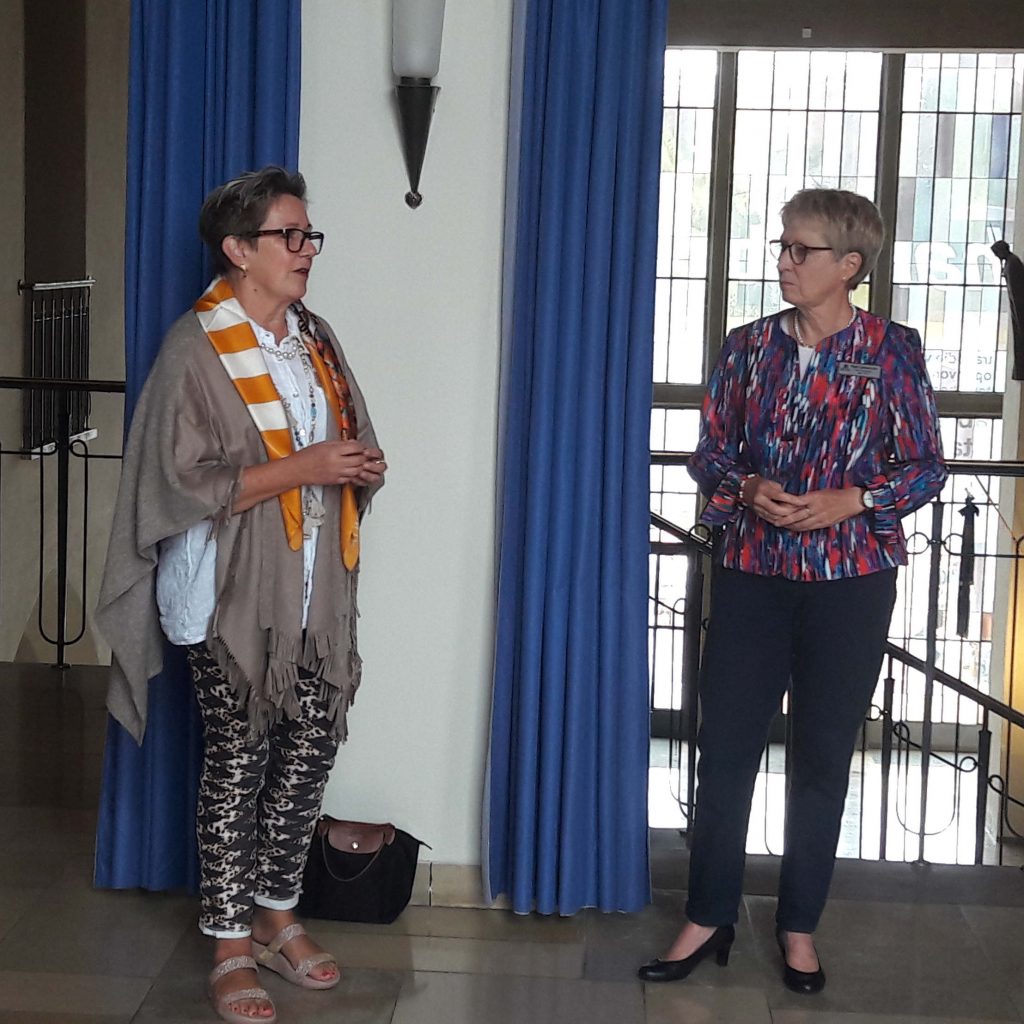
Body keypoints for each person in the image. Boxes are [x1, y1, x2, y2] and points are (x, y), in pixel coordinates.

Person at [638, 189, 946, 994]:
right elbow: (708, 453)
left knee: (822, 758)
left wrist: (857, 500)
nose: (783, 260)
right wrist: (745, 488)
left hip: (852, 583)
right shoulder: (746, 348)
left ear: (849, 265)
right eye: (782, 245)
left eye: (800, 249)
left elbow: (925, 467)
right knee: (726, 750)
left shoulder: (892, 350)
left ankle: (799, 925)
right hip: (752, 574)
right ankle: (708, 914)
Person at [97, 166, 385, 1024]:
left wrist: (358, 465)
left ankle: (276, 915)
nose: (305, 250)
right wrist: (304, 467)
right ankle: (229, 946)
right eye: (287, 236)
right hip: (223, 596)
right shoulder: (196, 348)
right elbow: (173, 483)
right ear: (237, 249)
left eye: (308, 235)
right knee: (240, 759)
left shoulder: (314, 338)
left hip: (312, 594)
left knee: (309, 751)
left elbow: (347, 434)